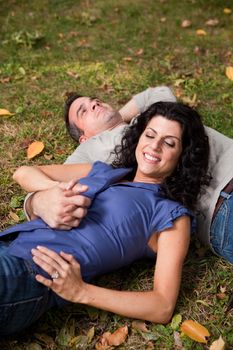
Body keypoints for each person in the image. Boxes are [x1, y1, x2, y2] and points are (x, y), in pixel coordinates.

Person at [0, 101, 210, 336]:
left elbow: (162, 306)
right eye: (150, 135)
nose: (154, 146)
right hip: (8, 243)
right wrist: (53, 192)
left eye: (169, 143)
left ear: (183, 157)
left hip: (29, 271)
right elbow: (24, 172)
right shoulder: (105, 171)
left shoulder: (170, 214)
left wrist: (82, 292)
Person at [25, 87, 233, 264]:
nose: (95, 105)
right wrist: (38, 200)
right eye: (84, 111)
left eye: (95, 101)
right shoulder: (89, 150)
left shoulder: (157, 117)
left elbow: (160, 92)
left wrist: (129, 121)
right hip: (222, 204)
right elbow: (51, 183)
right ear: (83, 137)